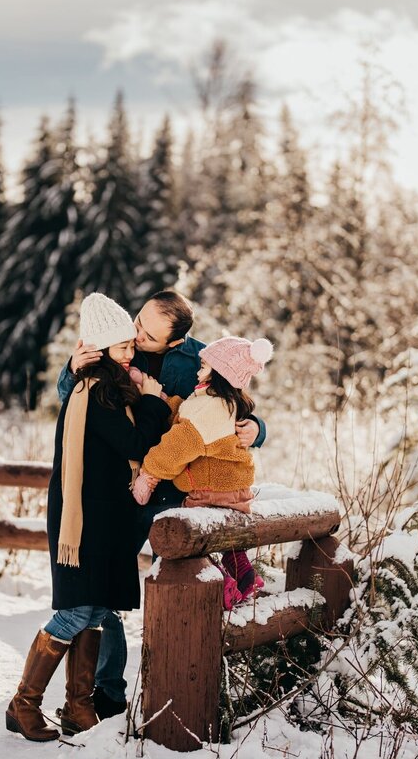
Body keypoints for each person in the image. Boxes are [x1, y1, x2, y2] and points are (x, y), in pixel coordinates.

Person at [55, 289, 269, 719]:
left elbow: (228, 406)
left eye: (147, 335)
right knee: (108, 591)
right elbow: (72, 396)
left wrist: (256, 428)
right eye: (136, 322)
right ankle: (106, 693)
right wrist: (70, 368)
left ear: (173, 342)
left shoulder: (197, 362)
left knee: (179, 587)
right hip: (122, 485)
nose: (135, 335)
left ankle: (179, 693)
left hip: (171, 491)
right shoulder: (113, 344)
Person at [6, 293, 170, 743]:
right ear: (100, 351)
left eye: (130, 345)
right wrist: (156, 402)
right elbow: (136, 444)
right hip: (83, 519)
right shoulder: (95, 392)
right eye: (121, 347)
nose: (130, 352)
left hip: (104, 516)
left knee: (96, 609)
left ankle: (79, 707)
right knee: (76, 610)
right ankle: (23, 703)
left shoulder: (111, 389)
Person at [131, 336, 273, 608]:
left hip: (209, 490)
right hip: (231, 489)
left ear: (219, 374)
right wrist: (162, 398)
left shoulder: (208, 406)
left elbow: (176, 447)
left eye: (205, 366)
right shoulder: (219, 402)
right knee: (227, 541)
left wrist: (149, 475)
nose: (199, 370)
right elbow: (185, 416)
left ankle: (224, 587)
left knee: (199, 542)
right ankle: (244, 576)